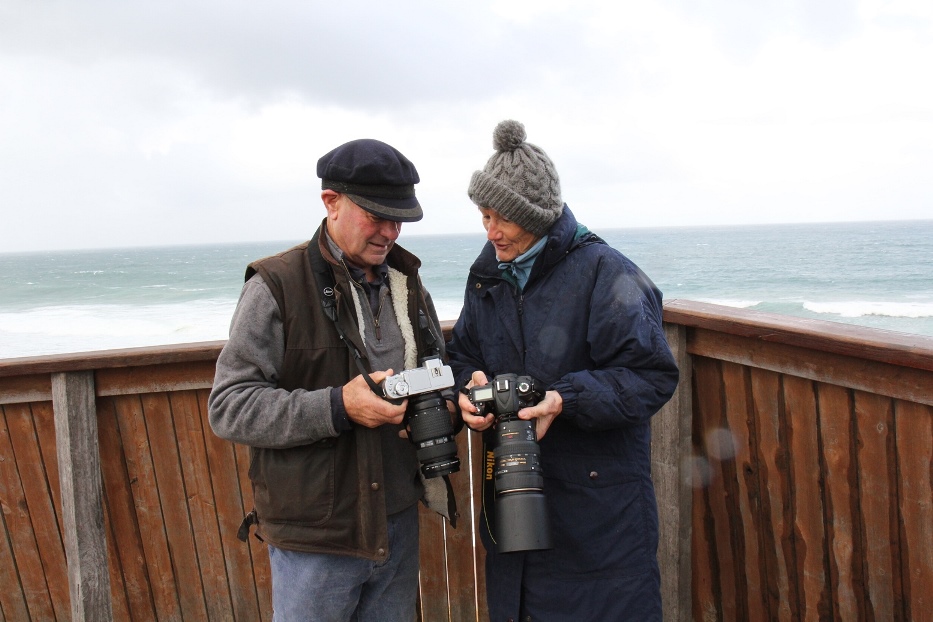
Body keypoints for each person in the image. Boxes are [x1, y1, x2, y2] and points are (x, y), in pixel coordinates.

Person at [208, 138, 458, 621]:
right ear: (331, 202)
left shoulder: (407, 283)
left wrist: (443, 407)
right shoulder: (274, 285)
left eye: (400, 218)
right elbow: (230, 407)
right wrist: (340, 407)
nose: (391, 232)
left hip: (398, 522)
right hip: (316, 539)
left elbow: (438, 372)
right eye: (377, 216)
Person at [446, 119, 679, 621]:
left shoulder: (606, 271)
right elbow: (463, 353)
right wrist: (470, 387)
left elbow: (652, 376)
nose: (490, 232)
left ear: (535, 217)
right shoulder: (487, 275)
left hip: (598, 518)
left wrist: (564, 399)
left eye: (500, 219)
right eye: (483, 217)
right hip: (512, 499)